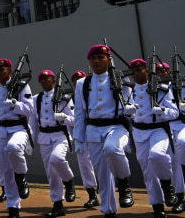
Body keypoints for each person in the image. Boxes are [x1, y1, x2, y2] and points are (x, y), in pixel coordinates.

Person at [74, 44, 135, 218]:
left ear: (109, 59)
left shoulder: (120, 78)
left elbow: (130, 103)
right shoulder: (82, 84)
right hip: (93, 131)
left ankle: (124, 183)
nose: (97, 61)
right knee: (102, 175)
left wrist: (132, 111)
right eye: (93, 58)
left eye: (101, 57)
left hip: (116, 127)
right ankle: (108, 211)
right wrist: (78, 139)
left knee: (112, 148)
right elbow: (79, 113)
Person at [124, 59, 178, 218]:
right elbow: (124, 115)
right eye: (133, 71)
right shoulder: (128, 91)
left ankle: (168, 186)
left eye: (139, 70)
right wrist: (127, 112)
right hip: (139, 133)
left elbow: (174, 112)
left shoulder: (160, 88)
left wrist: (162, 111)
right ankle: (157, 205)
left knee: (157, 155)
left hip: (158, 130)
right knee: (148, 171)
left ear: (147, 71)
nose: (136, 73)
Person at [0, 58, 35, 218]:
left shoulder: (21, 86)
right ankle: (13, 208)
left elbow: (30, 110)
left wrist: (15, 105)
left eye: (2, 69)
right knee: (6, 171)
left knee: (14, 148)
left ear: (10, 71)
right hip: (1, 131)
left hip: (19, 128)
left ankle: (21, 176)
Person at [33, 70, 76, 218]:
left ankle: (69, 181)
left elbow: (75, 119)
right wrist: (29, 141)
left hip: (60, 135)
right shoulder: (36, 99)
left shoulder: (64, 97)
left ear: (53, 80)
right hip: (44, 137)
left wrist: (64, 118)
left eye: (48, 78)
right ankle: (57, 204)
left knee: (57, 159)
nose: (45, 81)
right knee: (51, 173)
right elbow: (32, 123)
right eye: (42, 79)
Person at [69, 71, 99, 209]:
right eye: (75, 79)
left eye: (80, 79)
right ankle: (92, 195)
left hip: (97, 130)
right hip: (81, 133)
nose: (77, 81)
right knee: (85, 165)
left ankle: (105, 191)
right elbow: (71, 119)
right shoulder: (68, 98)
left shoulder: (94, 93)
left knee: (100, 162)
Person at [160, 62, 185, 213]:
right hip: (166, 127)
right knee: (174, 164)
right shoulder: (157, 90)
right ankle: (180, 197)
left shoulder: (181, 85)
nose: (162, 73)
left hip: (182, 125)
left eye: (165, 70)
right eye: (159, 71)